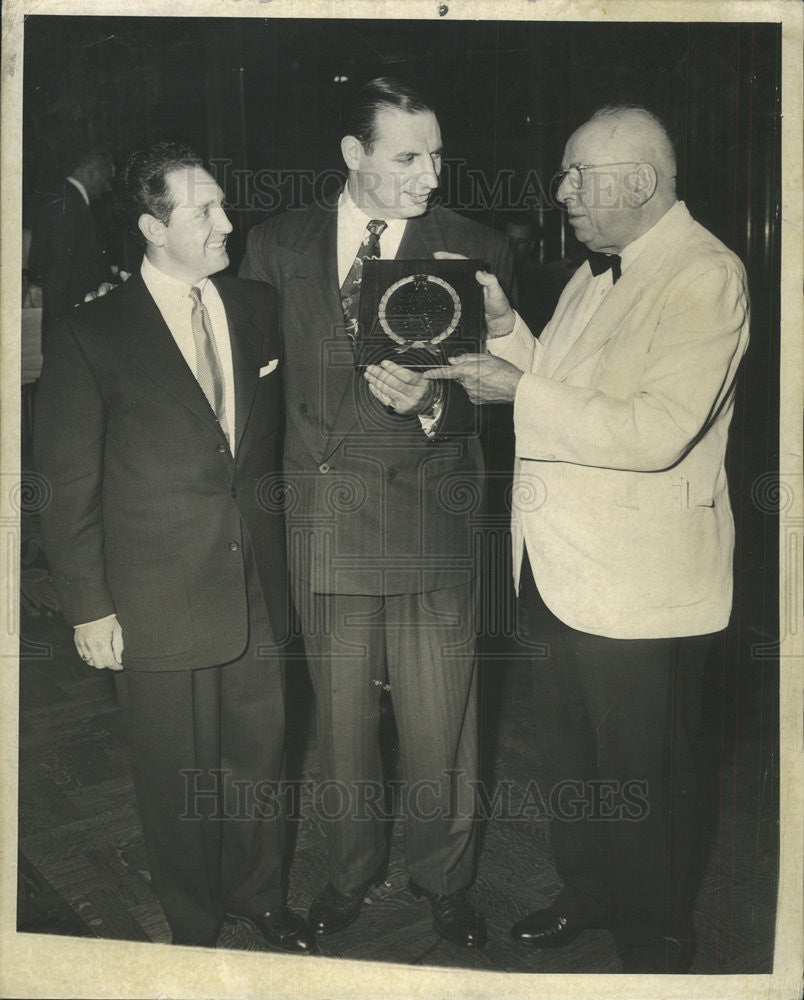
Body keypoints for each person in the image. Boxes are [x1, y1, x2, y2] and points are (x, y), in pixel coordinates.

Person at [426, 105, 750, 972]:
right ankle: (593, 891)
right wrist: (501, 328)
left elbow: (654, 431)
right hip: (560, 569)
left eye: (577, 175)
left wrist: (514, 391)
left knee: (647, 781)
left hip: (640, 589)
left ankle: (655, 941)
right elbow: (563, 386)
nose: (559, 190)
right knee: (574, 762)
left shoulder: (704, 274)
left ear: (637, 184)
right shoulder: (592, 271)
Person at [240, 76, 513, 949]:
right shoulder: (276, 244)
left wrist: (434, 408)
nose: (431, 174)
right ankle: (350, 875)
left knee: (445, 725)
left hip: (432, 514)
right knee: (345, 726)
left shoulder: (471, 246)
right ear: (354, 156)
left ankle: (445, 880)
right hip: (325, 518)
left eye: (436, 154)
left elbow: (503, 393)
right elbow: (245, 382)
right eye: (408, 156)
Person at [34, 141, 315, 954]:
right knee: (176, 778)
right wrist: (89, 606)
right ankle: (194, 924)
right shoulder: (92, 332)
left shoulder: (256, 307)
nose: (228, 221)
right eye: (205, 211)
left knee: (261, 761)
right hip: (155, 597)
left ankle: (262, 895)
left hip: (258, 587)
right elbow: (66, 483)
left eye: (223, 203)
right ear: (154, 227)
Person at [32, 145, 117, 349]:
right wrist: (62, 330)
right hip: (69, 328)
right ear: (91, 171)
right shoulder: (70, 205)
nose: (108, 188)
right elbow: (58, 273)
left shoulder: (64, 200)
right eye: (107, 179)